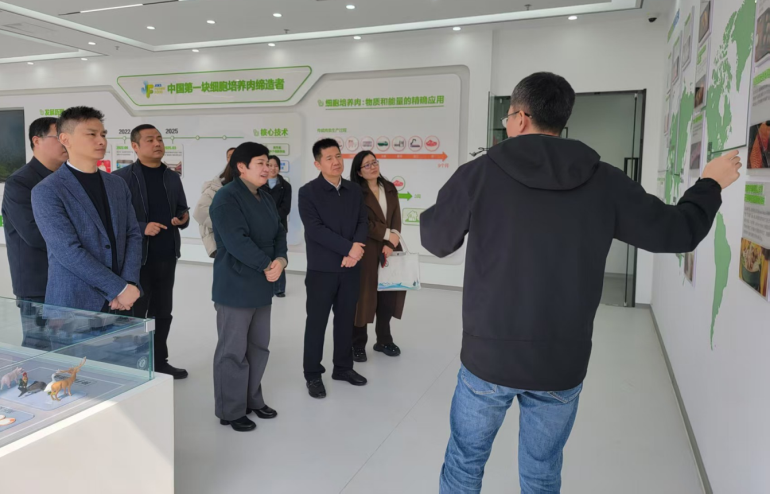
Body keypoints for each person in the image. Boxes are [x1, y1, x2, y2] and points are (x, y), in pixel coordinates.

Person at [420, 72, 742, 494]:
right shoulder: (604, 180)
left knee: (464, 464)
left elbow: (436, 240)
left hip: (488, 357)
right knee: (541, 472)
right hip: (561, 361)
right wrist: (710, 183)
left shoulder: (478, 174)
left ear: (520, 117)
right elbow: (678, 231)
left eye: (507, 117)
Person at [31, 107, 142, 313]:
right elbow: (68, 251)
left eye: (103, 134)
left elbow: (133, 234)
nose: (101, 141)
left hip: (122, 303)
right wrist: (118, 288)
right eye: (91, 134)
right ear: (65, 139)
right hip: (73, 305)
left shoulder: (117, 184)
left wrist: (129, 283)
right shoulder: (47, 190)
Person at [209, 143, 287, 432]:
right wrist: (268, 264)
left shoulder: (264, 197)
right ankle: (230, 409)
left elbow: (279, 232)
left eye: (268, 163)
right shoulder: (226, 198)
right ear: (241, 167)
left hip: (262, 284)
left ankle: (252, 399)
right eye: (260, 163)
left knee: (258, 347)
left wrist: (281, 259)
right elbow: (236, 241)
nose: (267, 168)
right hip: (236, 284)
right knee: (232, 351)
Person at [113, 125, 190, 379]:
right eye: (150, 140)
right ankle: (132, 364)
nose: (157, 143)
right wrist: (142, 227)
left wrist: (183, 218)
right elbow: (113, 220)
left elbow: (182, 209)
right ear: (135, 146)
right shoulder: (120, 178)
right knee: (134, 314)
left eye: (159, 139)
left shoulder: (172, 177)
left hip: (167, 255)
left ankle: (159, 361)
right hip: (136, 259)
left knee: (163, 313)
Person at [298, 139, 368, 398]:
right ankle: (313, 374)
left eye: (338, 156)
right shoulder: (308, 192)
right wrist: (349, 249)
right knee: (316, 323)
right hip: (322, 270)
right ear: (318, 164)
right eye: (329, 158)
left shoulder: (354, 190)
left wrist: (355, 250)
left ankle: (343, 367)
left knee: (346, 321)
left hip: (351, 268)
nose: (336, 161)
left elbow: (363, 221)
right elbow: (315, 230)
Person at [2, 117, 68, 348]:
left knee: (69, 350)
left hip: (70, 279)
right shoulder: (20, 183)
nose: (65, 143)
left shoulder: (68, 178)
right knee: (39, 349)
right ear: (37, 141)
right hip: (39, 284)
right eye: (58, 137)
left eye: (67, 137)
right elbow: (34, 233)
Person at [349, 151, 406, 362]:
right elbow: (360, 221)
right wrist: (387, 235)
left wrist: (391, 242)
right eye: (367, 165)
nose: (373, 167)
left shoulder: (389, 187)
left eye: (374, 162)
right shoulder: (354, 192)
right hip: (366, 249)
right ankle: (357, 344)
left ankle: (384, 340)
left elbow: (396, 217)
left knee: (388, 296)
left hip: (390, 248)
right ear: (359, 172)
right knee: (363, 298)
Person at [194, 147, 237, 258]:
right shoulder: (217, 185)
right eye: (230, 156)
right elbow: (200, 212)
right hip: (222, 244)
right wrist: (226, 226)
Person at [260, 155, 292, 298]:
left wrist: (271, 218)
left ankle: (279, 288)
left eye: (275, 166)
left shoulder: (286, 186)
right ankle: (263, 285)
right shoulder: (259, 184)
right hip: (261, 225)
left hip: (279, 226)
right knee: (264, 255)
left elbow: (285, 208)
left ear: (279, 168)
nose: (272, 168)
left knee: (279, 255)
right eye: (270, 165)